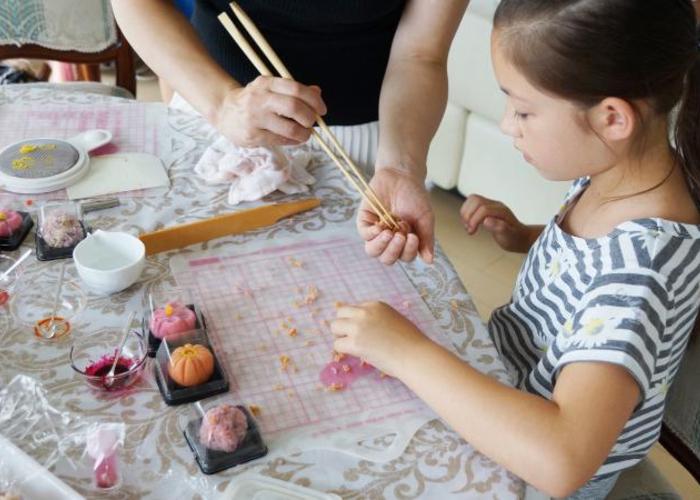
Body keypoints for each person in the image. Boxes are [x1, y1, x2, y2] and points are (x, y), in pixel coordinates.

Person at [330, 0, 700, 498]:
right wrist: (530, 237)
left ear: (613, 118)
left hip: (530, 469)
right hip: (503, 387)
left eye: (523, 109)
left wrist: (407, 353)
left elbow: (562, 460)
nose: (508, 124)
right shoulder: (625, 172)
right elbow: (590, 279)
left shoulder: (641, 272)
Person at [111, 0, 470, 265]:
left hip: (377, 142)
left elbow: (421, 54)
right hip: (214, 105)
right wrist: (222, 104)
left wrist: (400, 168)